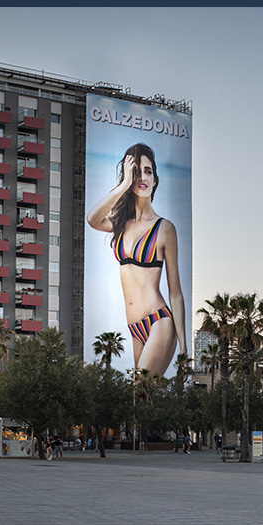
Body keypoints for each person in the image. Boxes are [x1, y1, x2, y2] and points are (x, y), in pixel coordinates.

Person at [86, 143, 187, 377]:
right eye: (136, 172)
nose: (142, 177)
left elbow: (175, 292)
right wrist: (124, 185)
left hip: (159, 322)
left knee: (141, 390)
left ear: (155, 179)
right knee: (140, 397)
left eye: (148, 171)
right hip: (135, 328)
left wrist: (183, 348)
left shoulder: (165, 228)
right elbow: (92, 219)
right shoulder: (121, 223)